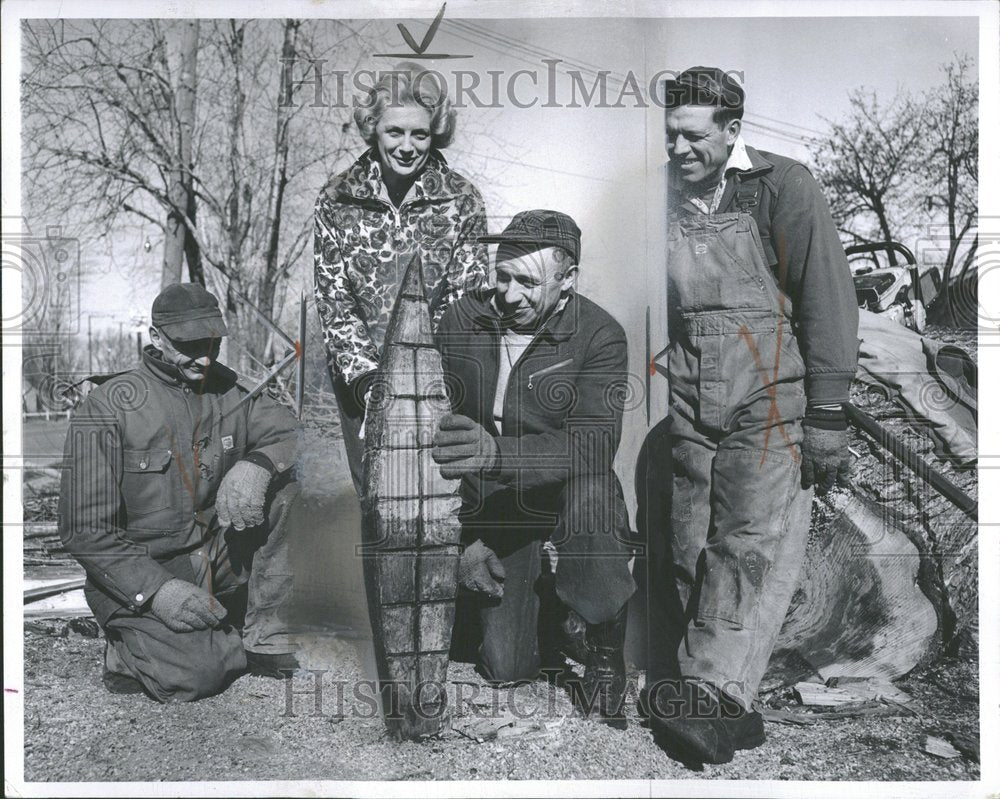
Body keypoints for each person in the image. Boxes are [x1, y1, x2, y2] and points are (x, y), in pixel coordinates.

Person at [642, 67, 859, 763]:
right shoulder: (659, 199)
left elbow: (826, 295)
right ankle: (704, 689)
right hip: (687, 388)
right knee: (684, 540)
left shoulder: (782, 186)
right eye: (670, 133)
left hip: (769, 385)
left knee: (746, 542)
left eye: (693, 136)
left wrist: (827, 411)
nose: (677, 149)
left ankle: (713, 695)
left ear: (732, 130)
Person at [431, 210, 637, 728]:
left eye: (527, 281)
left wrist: (498, 455)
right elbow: (431, 425)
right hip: (495, 501)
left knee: (594, 493)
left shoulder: (600, 335)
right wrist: (465, 536)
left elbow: (593, 445)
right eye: (502, 276)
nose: (508, 294)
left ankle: (604, 636)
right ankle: (551, 613)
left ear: (567, 282)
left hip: (565, 489)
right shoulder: (461, 319)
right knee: (506, 668)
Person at [58, 283, 301, 703]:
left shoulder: (232, 391)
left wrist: (258, 464)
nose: (205, 357)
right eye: (189, 345)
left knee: (291, 487)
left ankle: (258, 631)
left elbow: (294, 438)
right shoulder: (107, 406)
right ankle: (127, 649)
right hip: (148, 571)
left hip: (218, 556)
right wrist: (156, 591)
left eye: (213, 343)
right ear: (155, 337)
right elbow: (85, 529)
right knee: (196, 678)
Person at [314, 63, 489, 492]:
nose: (407, 146)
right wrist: (369, 384)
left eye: (420, 134)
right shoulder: (336, 199)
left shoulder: (461, 200)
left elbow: (469, 298)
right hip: (363, 382)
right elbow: (335, 301)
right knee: (379, 497)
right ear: (374, 128)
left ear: (436, 133)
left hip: (440, 380)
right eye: (395, 132)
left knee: (439, 497)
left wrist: (435, 382)